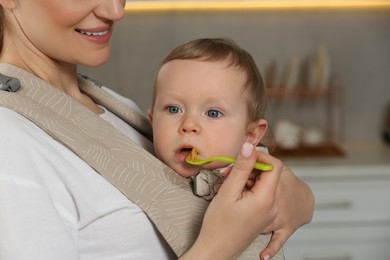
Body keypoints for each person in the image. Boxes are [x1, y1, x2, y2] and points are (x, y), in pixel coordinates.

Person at [0, 1, 314, 260]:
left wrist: (299, 199)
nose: (115, 11)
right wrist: (220, 245)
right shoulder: (9, 140)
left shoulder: (113, 107)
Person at [148, 37, 271, 200]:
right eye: (173, 109)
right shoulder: (144, 172)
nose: (189, 125)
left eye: (213, 113)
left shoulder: (258, 184)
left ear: (250, 134)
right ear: (152, 121)